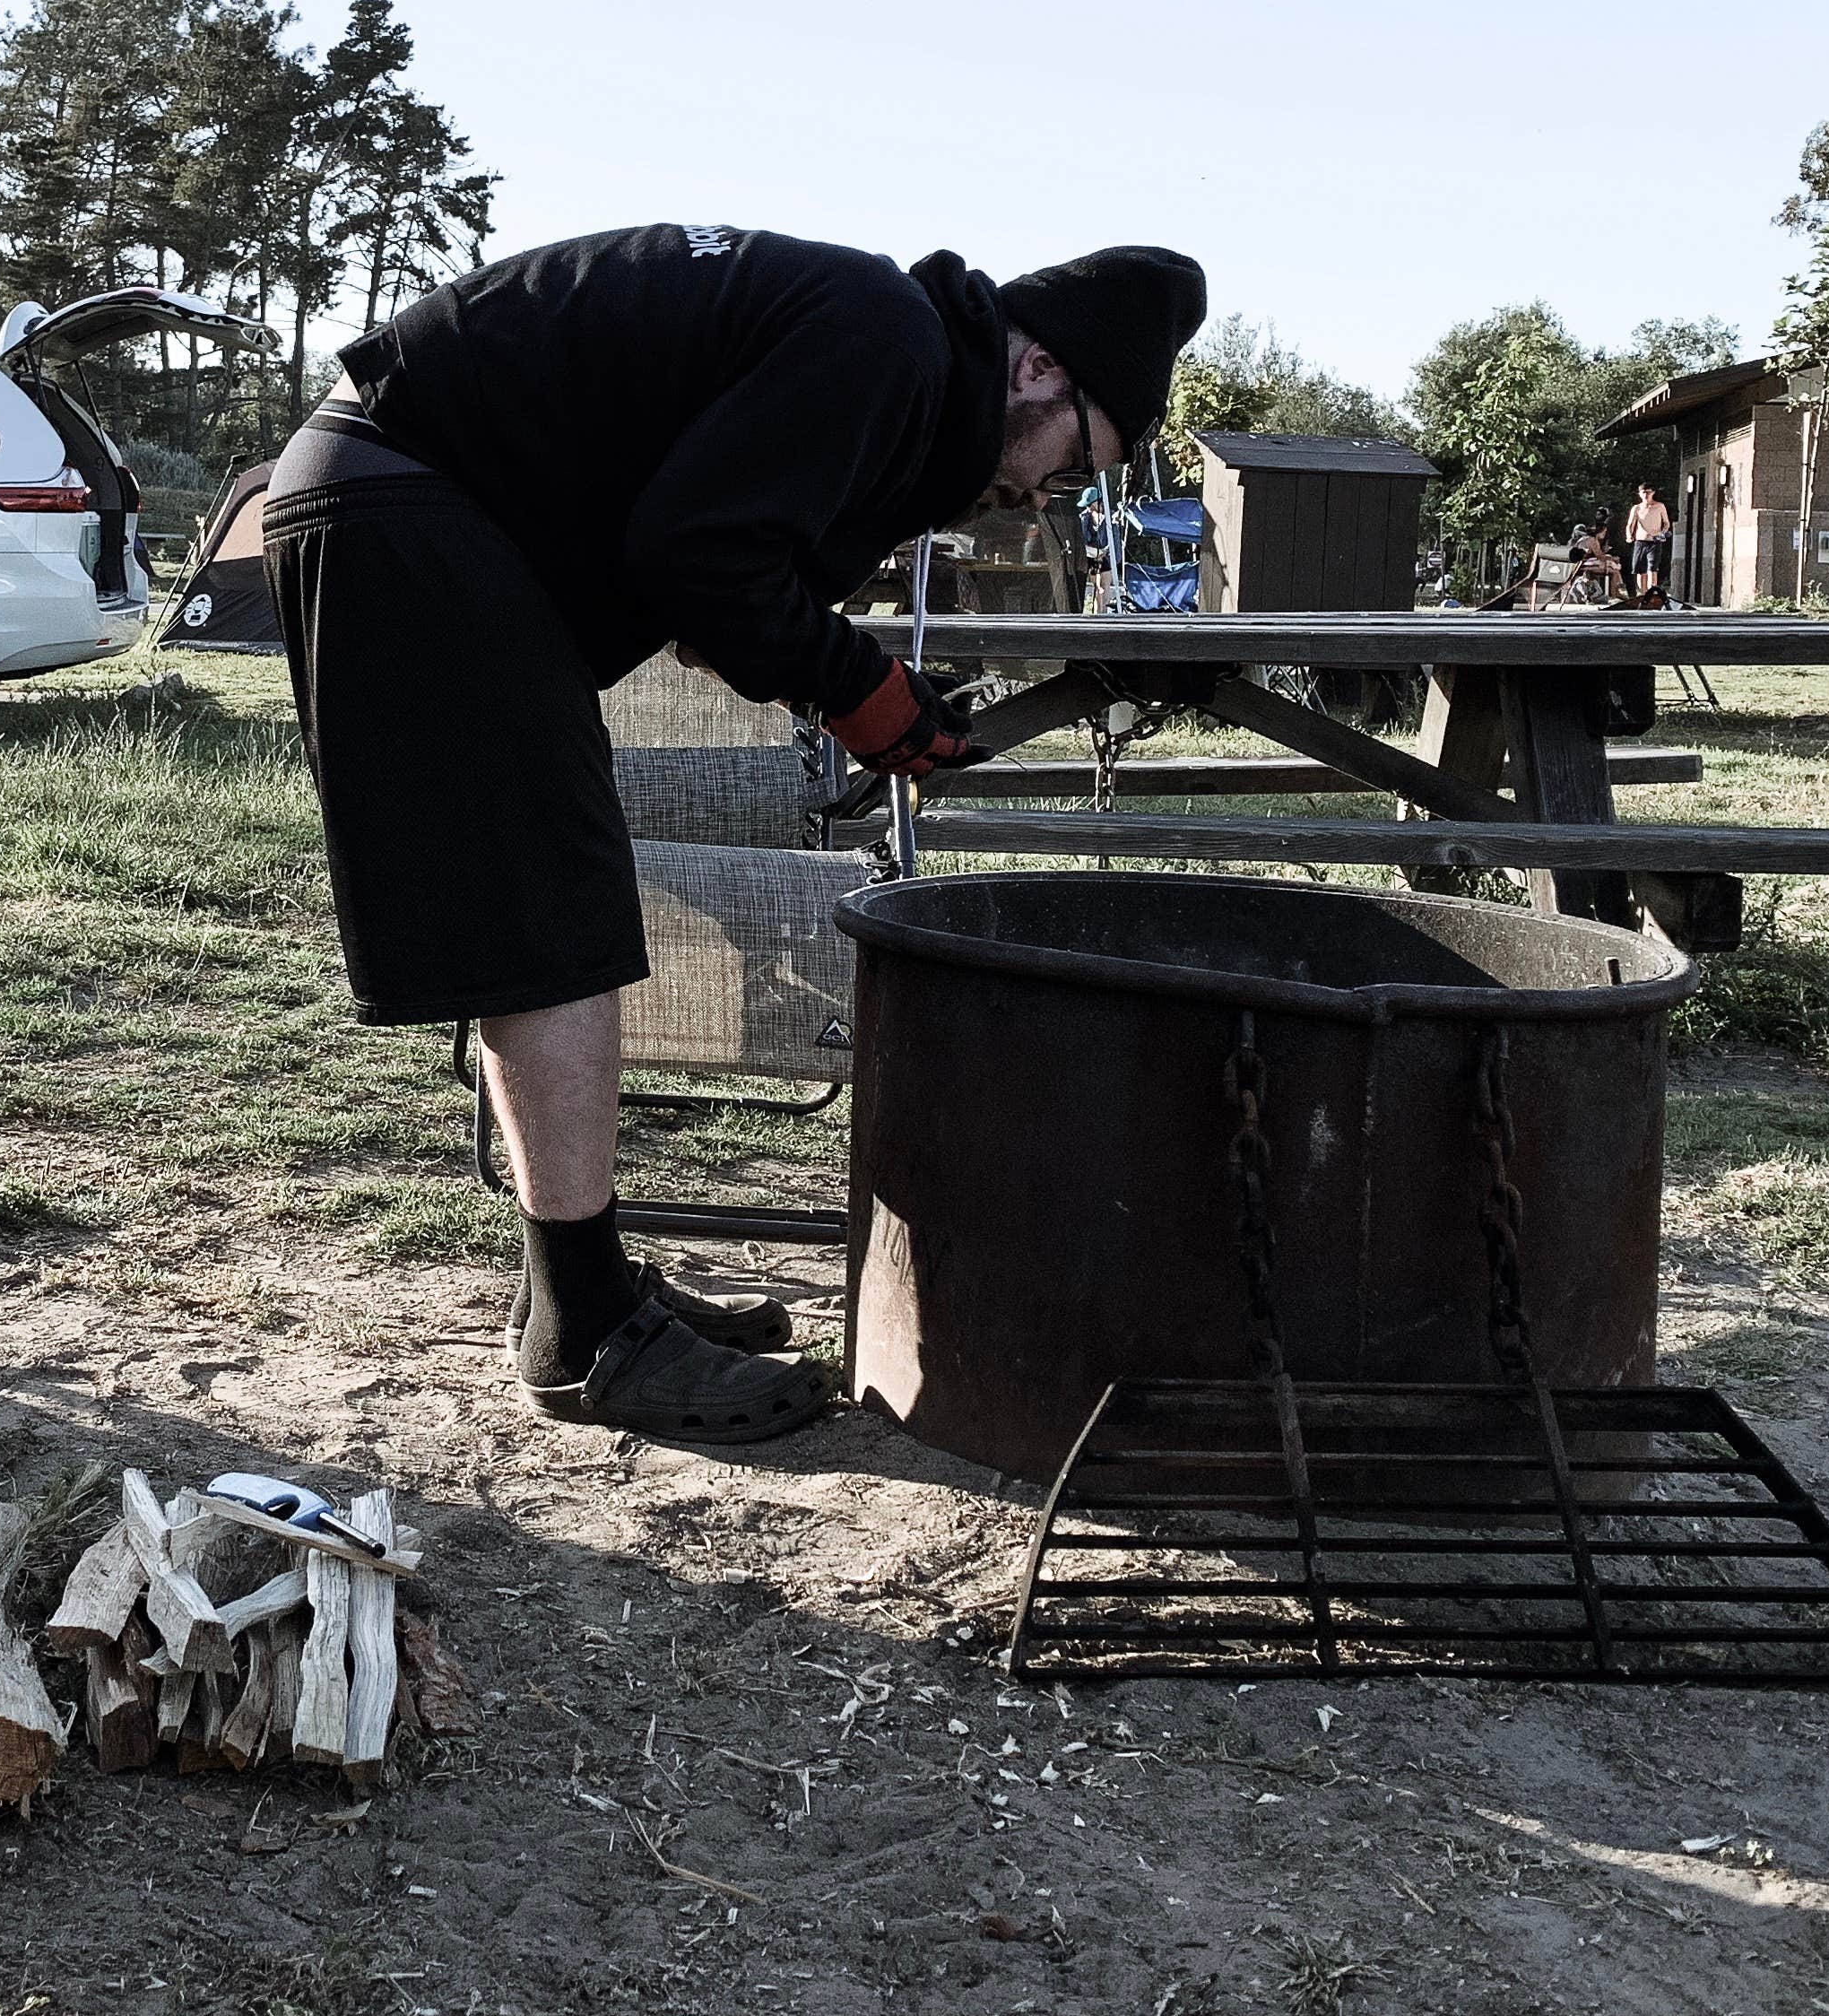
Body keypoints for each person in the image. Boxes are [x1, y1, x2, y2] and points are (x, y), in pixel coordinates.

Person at [260, 226, 1207, 1444]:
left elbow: (713, 584)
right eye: (1078, 465)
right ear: (1037, 373)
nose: (1041, 497)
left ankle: (583, 1297)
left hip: (412, 499)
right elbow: (701, 557)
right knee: (549, 916)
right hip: (405, 498)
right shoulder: (890, 346)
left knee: (548, 909)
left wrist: (831, 668)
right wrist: (862, 693)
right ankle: (586, 1339)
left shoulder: (892, 368)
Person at [1625, 481, 1672, 606]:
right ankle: (1642, 594)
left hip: (1654, 541)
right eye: (1644, 492)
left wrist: (1662, 533)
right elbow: (1630, 524)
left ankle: (1653, 593)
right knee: (1641, 570)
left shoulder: (1659, 506)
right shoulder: (1637, 508)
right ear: (1639, 494)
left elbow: (1666, 523)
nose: (1646, 495)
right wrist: (1629, 536)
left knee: (1653, 568)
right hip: (1640, 541)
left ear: (1653, 493)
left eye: (1649, 492)